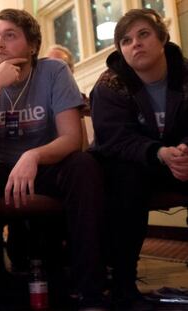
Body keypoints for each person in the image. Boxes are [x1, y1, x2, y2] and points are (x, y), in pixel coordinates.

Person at [0, 9, 105, 310]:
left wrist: (33, 155)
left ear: (33, 45)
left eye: (10, 35)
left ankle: (89, 288)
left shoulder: (54, 71)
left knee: (84, 165)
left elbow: (71, 138)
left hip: (45, 163)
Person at [90, 8, 188, 311]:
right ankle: (123, 284)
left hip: (181, 159)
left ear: (162, 39)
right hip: (132, 163)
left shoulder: (185, 73)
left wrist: (185, 150)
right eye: (126, 40)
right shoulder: (109, 84)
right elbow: (113, 140)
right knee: (124, 178)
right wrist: (158, 153)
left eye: (143, 34)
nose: (135, 44)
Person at [47, 44, 90, 116]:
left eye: (58, 67)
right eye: (48, 66)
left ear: (70, 71)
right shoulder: (37, 107)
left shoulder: (88, 105)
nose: (52, 73)